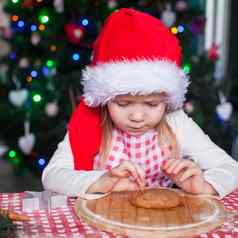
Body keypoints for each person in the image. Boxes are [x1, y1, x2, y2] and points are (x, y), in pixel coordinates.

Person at [42, 8, 238, 198]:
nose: (137, 117)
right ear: (106, 97)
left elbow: (231, 168)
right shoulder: (90, 121)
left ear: (167, 100)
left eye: (152, 104)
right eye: (123, 104)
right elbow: (52, 176)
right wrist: (101, 181)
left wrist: (204, 185)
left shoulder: (177, 123)